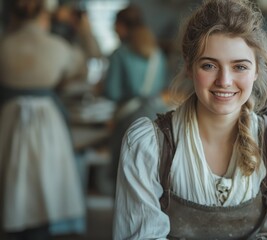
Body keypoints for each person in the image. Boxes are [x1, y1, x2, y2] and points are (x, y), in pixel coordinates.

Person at [113, 0, 267, 239]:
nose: (224, 81)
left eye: (239, 67)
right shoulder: (148, 146)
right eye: (209, 65)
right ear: (189, 67)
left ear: (257, 70)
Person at [0, 0, 85, 239]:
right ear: (45, 17)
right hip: (47, 121)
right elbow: (80, 67)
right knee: (46, 181)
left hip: (8, 120)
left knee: (11, 182)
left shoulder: (4, 44)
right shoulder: (57, 46)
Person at [101, 4, 168, 194]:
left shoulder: (120, 53)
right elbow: (162, 85)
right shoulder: (157, 54)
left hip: (127, 118)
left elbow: (112, 92)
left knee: (124, 174)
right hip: (157, 115)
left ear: (122, 26)